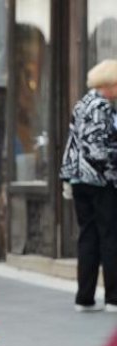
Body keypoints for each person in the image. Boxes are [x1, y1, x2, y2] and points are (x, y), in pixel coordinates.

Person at [59, 59, 117, 313]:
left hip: (79, 179)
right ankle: (114, 297)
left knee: (88, 236)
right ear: (110, 84)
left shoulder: (82, 103)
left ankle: (85, 297)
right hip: (100, 179)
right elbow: (99, 149)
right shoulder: (102, 107)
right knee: (109, 236)